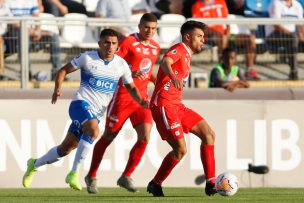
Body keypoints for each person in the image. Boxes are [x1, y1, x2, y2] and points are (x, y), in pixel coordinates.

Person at [22, 28, 149, 191]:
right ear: (99, 44)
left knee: (65, 149)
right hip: (80, 104)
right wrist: (57, 89)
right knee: (94, 130)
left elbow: (131, 87)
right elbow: (62, 71)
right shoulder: (87, 58)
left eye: (113, 43)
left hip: (96, 113)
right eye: (106, 43)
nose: (110, 47)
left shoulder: (121, 64)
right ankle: (74, 173)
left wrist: (141, 101)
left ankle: (34, 164)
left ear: (118, 45)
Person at [84, 13, 160, 194]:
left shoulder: (156, 47)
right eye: (146, 27)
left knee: (145, 137)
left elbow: (147, 71)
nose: (149, 31)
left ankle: (126, 176)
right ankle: (92, 175)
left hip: (141, 100)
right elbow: (111, 64)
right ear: (140, 26)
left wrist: (156, 81)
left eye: (153, 29)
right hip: (122, 98)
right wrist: (130, 73)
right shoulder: (127, 42)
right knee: (109, 137)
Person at [146, 20, 217, 197]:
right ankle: (155, 184)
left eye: (203, 37)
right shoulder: (179, 48)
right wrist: (172, 75)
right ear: (187, 36)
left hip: (177, 105)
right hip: (164, 105)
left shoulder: (188, 54)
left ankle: (211, 183)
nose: (203, 40)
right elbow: (165, 61)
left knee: (208, 134)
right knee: (180, 150)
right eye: (199, 36)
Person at [191, 0, 259, 80]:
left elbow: (227, 22)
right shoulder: (197, 5)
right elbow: (199, 27)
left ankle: (249, 70)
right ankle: (222, 69)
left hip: (227, 35)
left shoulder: (221, 2)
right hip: (210, 36)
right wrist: (216, 33)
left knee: (251, 38)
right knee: (222, 38)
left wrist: (228, 34)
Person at [6, 0, 62, 80]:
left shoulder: (32, 1)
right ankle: (26, 73)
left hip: (31, 31)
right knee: (23, 35)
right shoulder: (9, 2)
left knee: (53, 36)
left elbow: (37, 17)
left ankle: (57, 73)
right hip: (15, 31)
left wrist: (38, 30)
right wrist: (28, 30)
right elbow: (11, 21)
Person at [265, 0, 303, 80]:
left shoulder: (297, 5)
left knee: (293, 40)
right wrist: (294, 34)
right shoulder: (275, 3)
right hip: (274, 35)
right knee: (233, 53)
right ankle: (236, 74)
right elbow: (276, 25)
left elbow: (301, 24)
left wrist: (302, 35)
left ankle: (293, 71)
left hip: (291, 38)